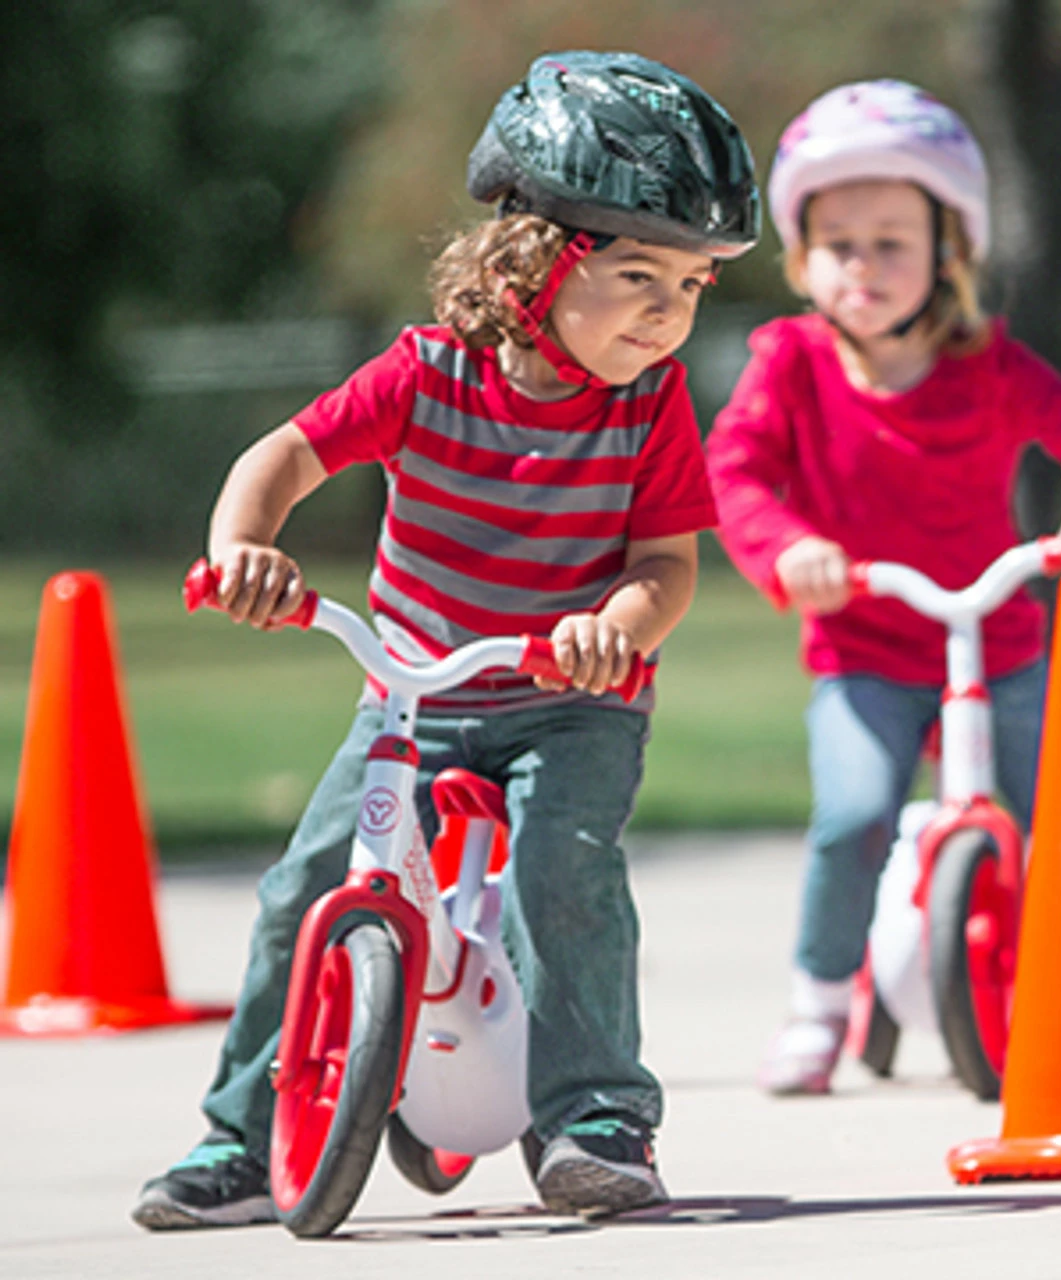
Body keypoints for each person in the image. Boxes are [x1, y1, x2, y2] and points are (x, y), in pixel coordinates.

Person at [132, 49, 759, 1227]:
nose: (667, 312)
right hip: (412, 693)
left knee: (562, 868)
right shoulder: (429, 373)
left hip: (571, 697)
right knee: (303, 889)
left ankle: (596, 1120)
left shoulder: (647, 406)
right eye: (637, 274)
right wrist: (245, 545)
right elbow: (283, 458)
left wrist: (612, 629)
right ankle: (241, 1135)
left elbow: (666, 563)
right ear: (533, 259)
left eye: (689, 286)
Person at [704, 79, 1061, 1096]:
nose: (860, 264)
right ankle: (819, 1003)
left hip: (996, 641)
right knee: (853, 814)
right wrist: (786, 548)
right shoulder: (788, 364)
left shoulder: (988, 368)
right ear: (801, 256)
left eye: (890, 241)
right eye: (837, 242)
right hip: (863, 644)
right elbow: (730, 471)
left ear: (946, 255)